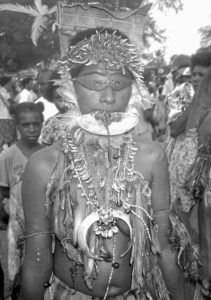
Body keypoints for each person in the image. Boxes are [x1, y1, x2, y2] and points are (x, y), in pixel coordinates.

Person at [21, 28, 186, 300]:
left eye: (120, 85)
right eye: (96, 84)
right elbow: (37, 258)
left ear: (133, 89)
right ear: (69, 87)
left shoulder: (152, 156)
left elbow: (164, 246)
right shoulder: (44, 164)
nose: (109, 98)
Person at [0, 102, 45, 299]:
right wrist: (6, 205)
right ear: (17, 126)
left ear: (42, 124)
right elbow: (3, 191)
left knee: (42, 270)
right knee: (17, 272)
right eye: (26, 125)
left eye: (36, 124)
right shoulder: (7, 156)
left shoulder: (48, 154)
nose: (32, 129)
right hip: (17, 225)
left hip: (44, 225)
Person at [0, 76, 16, 152]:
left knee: (5, 137)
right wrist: (11, 91)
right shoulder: (3, 91)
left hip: (3, 117)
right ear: (5, 84)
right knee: (6, 138)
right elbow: (12, 101)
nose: (11, 86)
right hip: (5, 117)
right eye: (10, 84)